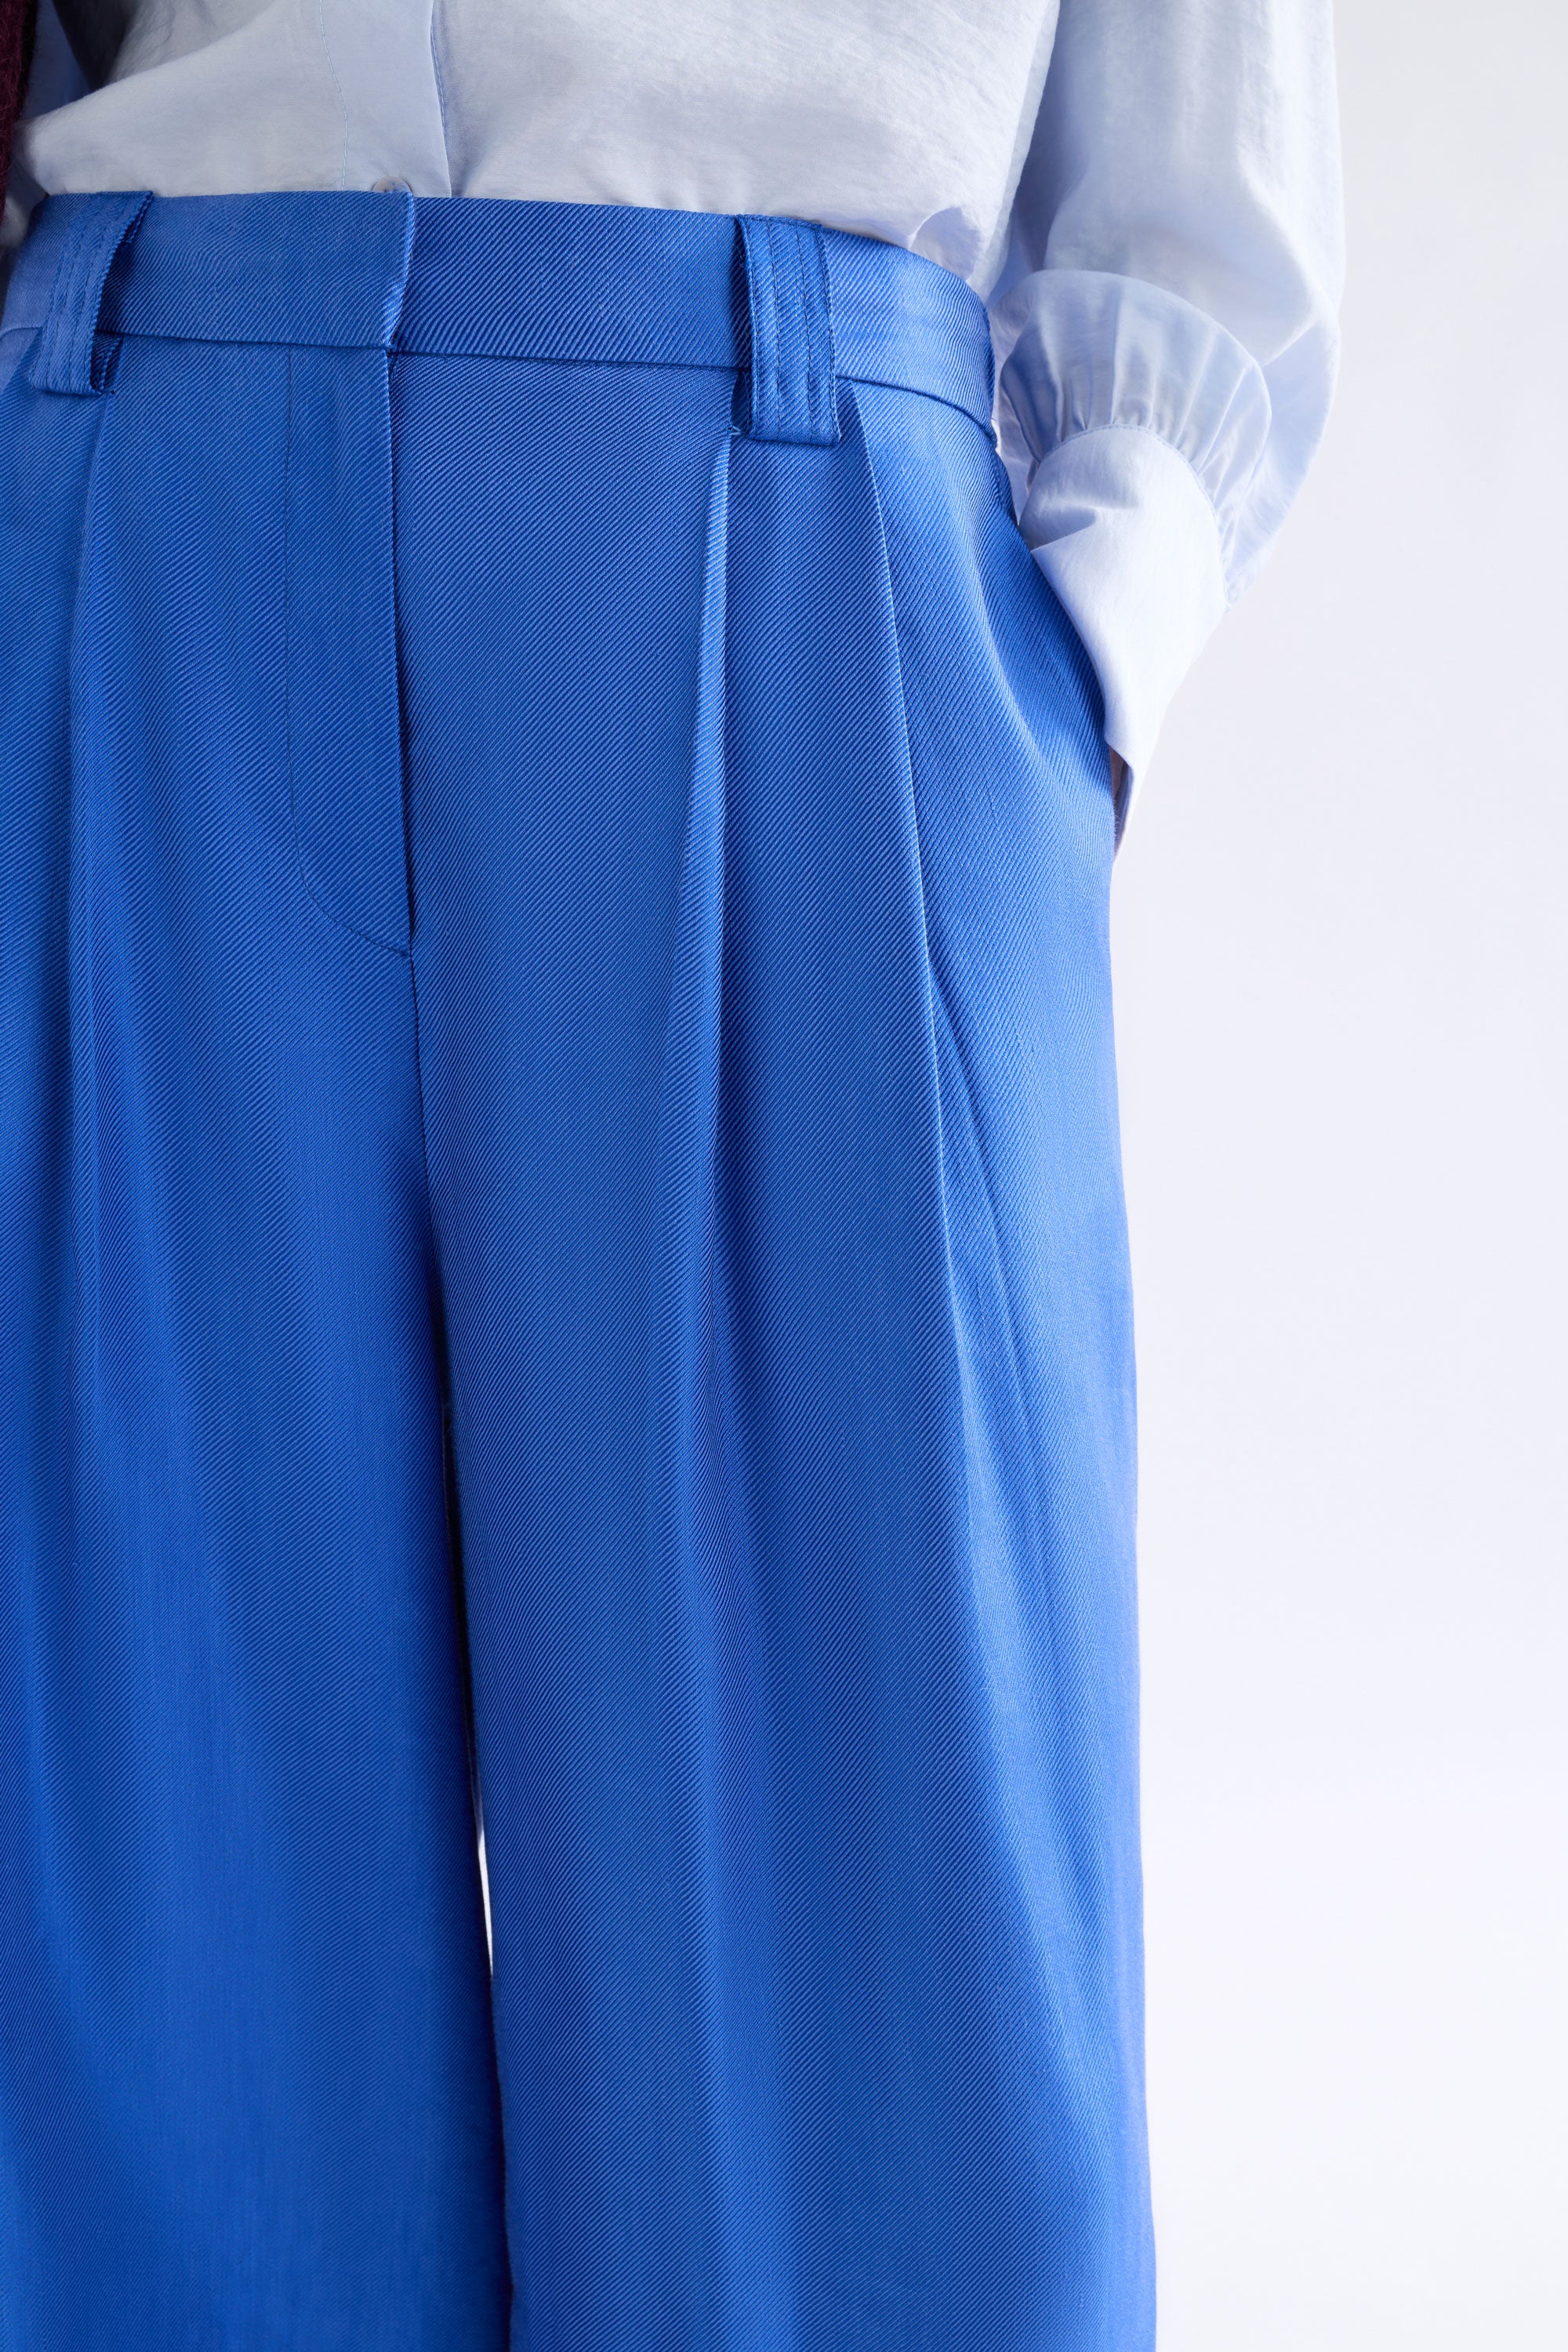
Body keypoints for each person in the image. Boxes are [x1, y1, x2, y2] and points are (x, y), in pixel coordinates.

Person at [0, 5, 1344, 2347]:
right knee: (135, 2012)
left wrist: (1073, 658)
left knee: (875, 2092)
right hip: (132, 476)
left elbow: (1196, 145)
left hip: (794, 520)